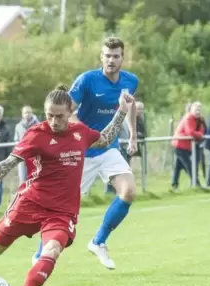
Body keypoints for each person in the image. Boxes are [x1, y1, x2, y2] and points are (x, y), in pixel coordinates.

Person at [0, 85, 134, 286]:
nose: (53, 121)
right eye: (49, 115)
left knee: (52, 249)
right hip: (30, 203)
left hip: (62, 212)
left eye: (59, 116)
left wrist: (121, 110)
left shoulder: (80, 133)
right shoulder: (36, 135)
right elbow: (7, 164)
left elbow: (105, 138)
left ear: (70, 112)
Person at [31, 37, 139, 270]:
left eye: (116, 56)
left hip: (108, 149)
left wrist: (132, 135)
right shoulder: (87, 80)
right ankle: (40, 252)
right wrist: (84, 134)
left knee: (128, 191)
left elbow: (129, 106)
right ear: (101, 57)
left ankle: (98, 242)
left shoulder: (131, 81)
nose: (111, 60)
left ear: (123, 57)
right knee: (61, 208)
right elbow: (67, 110)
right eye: (107, 56)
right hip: (81, 152)